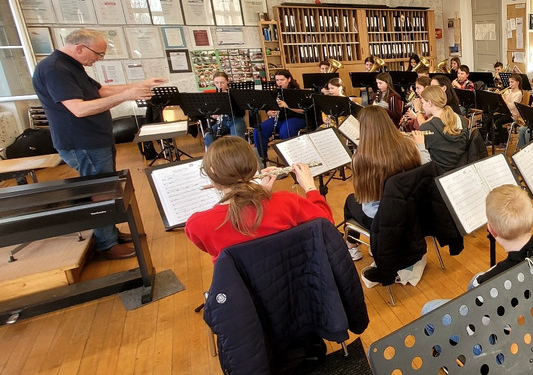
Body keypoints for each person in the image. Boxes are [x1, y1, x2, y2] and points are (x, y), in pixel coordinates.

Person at [31, 28, 163, 260]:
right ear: (79, 48)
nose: (99, 59)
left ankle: (109, 232)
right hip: (83, 142)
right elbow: (79, 109)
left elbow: (100, 91)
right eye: (98, 54)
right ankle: (106, 243)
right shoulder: (54, 69)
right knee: (99, 192)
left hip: (95, 140)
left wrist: (138, 85)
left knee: (107, 189)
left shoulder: (71, 65)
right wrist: (126, 96)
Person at [420, 185, 533, 320]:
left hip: (516, 350)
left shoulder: (490, 282)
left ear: (492, 231)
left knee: (430, 308)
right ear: (532, 215)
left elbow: (479, 330)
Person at [185, 136, 331, 261]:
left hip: (242, 291)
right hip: (292, 281)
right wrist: (310, 187)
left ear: (212, 171)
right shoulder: (288, 202)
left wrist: (262, 193)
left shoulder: (197, 225)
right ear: (253, 166)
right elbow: (326, 223)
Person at [342, 106, 423, 262]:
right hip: (410, 212)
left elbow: (363, 195)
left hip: (381, 220)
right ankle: (375, 245)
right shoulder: (409, 145)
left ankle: (353, 248)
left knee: (350, 201)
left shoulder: (361, 157)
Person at [412, 85, 470, 172]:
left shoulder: (427, 127)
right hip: (460, 170)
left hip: (438, 175)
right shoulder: (461, 119)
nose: (422, 106)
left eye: (423, 103)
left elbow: (425, 164)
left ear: (430, 103)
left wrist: (420, 144)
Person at [254, 69, 306, 159]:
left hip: (297, 118)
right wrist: (269, 112)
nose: (279, 83)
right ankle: (263, 158)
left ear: (289, 79)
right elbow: (268, 107)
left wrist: (287, 106)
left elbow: (303, 110)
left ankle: (292, 158)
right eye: (277, 80)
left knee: (285, 131)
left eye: (282, 80)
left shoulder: (297, 92)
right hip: (280, 119)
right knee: (258, 130)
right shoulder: (275, 92)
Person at [203, 71, 247, 148]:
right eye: (216, 83)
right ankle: (215, 157)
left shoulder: (235, 93)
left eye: (222, 83)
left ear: (227, 81)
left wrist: (226, 110)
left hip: (236, 120)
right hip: (222, 122)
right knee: (208, 136)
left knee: (237, 140)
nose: (219, 85)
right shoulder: (213, 96)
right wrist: (214, 114)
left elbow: (241, 113)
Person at [481, 72, 525, 147]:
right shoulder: (508, 91)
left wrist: (503, 98)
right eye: (509, 82)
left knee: (498, 122)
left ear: (517, 83)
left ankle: (502, 142)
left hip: (512, 115)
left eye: (512, 82)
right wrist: (497, 96)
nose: (510, 84)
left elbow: (511, 106)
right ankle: (490, 139)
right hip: (505, 113)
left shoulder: (519, 94)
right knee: (489, 120)